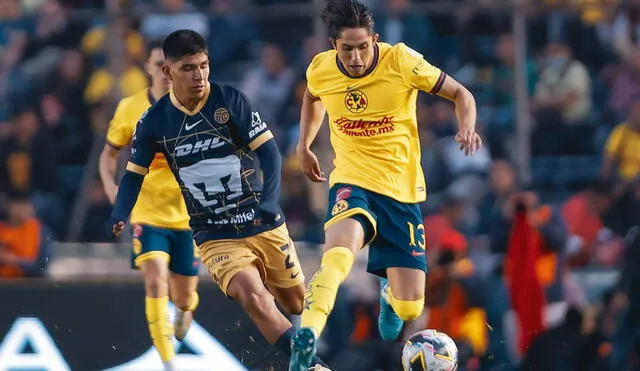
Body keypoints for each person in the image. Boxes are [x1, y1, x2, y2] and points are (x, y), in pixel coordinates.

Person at [107, 30, 329, 371]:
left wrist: (269, 202)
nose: (199, 76)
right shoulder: (153, 122)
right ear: (167, 72)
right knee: (253, 297)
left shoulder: (229, 100)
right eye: (188, 68)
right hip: (214, 235)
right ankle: (311, 365)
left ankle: (298, 342)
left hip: (260, 218)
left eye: (204, 66)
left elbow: (269, 154)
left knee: (296, 303)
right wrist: (120, 212)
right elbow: (134, 174)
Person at [289, 0, 481, 369]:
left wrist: (466, 126)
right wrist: (304, 145)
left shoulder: (401, 61)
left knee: (411, 306)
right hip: (351, 180)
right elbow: (313, 97)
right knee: (338, 256)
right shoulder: (322, 69)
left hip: (400, 190)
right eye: (348, 49)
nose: (357, 57)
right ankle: (307, 340)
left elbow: (462, 94)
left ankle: (389, 291)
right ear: (334, 46)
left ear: (375, 39)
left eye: (364, 46)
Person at [99, 40, 200, 371]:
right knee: (155, 277)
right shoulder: (130, 108)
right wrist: (112, 190)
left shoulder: (196, 104)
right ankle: (168, 363)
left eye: (170, 65)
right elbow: (109, 154)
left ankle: (185, 310)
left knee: (184, 296)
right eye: (159, 65)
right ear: (149, 68)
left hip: (188, 216)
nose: (165, 72)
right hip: (147, 211)